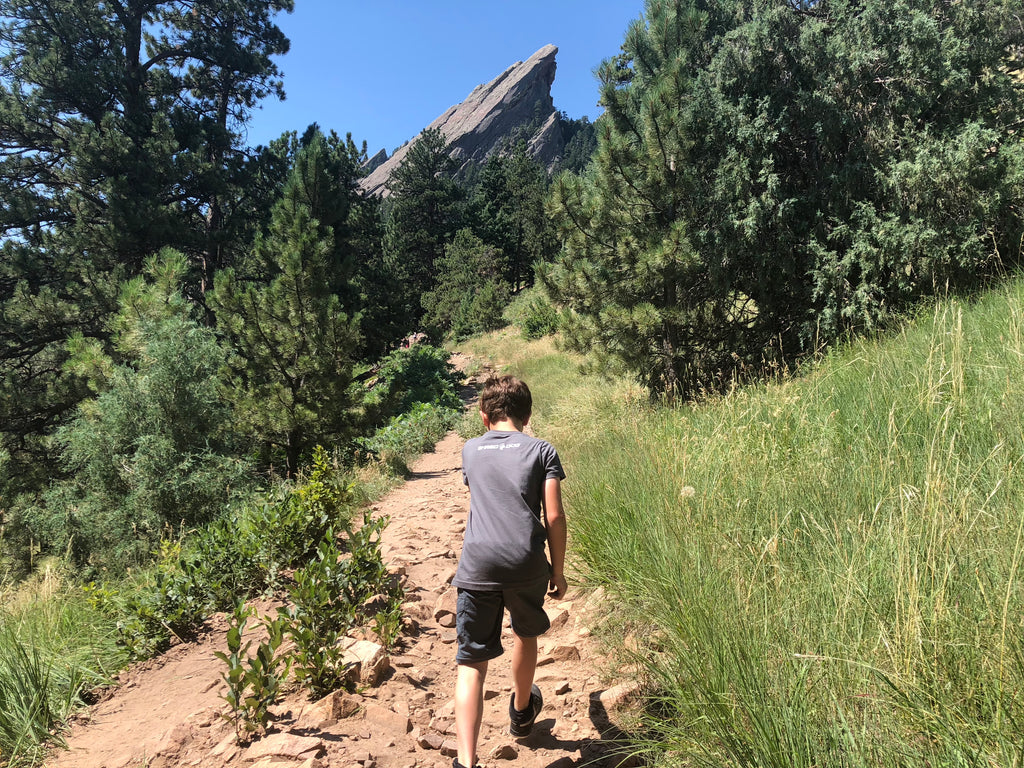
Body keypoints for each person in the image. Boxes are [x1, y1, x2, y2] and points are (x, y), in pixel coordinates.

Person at [451, 375, 567, 768]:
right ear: (528, 415)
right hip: (526, 561)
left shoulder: (470, 450)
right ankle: (521, 711)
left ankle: (465, 762)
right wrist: (559, 570)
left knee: (471, 663)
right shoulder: (542, 450)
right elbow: (554, 515)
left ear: (484, 417)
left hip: (478, 563)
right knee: (525, 633)